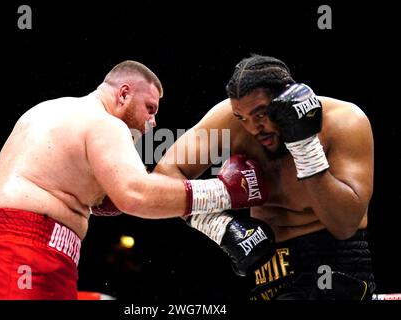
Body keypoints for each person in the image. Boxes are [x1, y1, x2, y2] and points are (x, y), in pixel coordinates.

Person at [0, 60, 273, 300]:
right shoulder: (105, 124)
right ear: (124, 93)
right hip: (22, 251)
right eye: (150, 109)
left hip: (10, 247)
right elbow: (136, 195)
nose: (152, 123)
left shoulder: (47, 111)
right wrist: (225, 191)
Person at [154, 53, 376, 300]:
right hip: (267, 274)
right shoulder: (229, 122)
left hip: (334, 273)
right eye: (242, 117)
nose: (252, 128)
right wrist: (218, 225)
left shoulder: (343, 121)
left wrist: (304, 146)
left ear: (286, 98)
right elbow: (164, 177)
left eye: (260, 114)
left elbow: (345, 225)